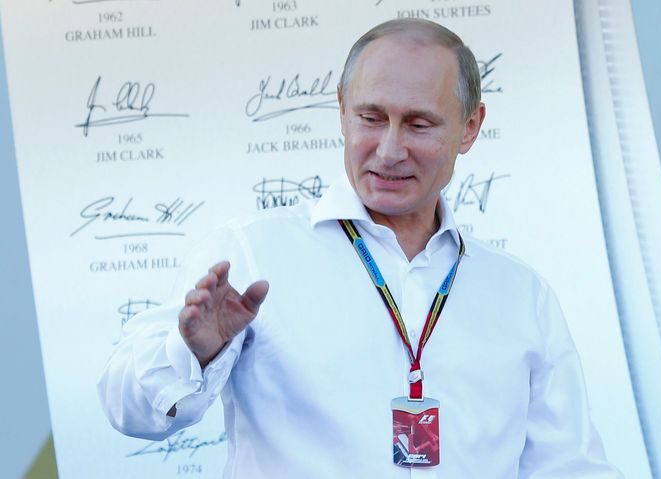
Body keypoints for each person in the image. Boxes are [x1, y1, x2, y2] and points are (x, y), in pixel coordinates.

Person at [99, 18, 623, 478]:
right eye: (371, 118)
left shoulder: (521, 293)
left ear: (470, 127)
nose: (390, 150)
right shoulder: (251, 253)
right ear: (342, 111)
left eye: (419, 124)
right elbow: (128, 408)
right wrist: (193, 351)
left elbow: (568, 466)